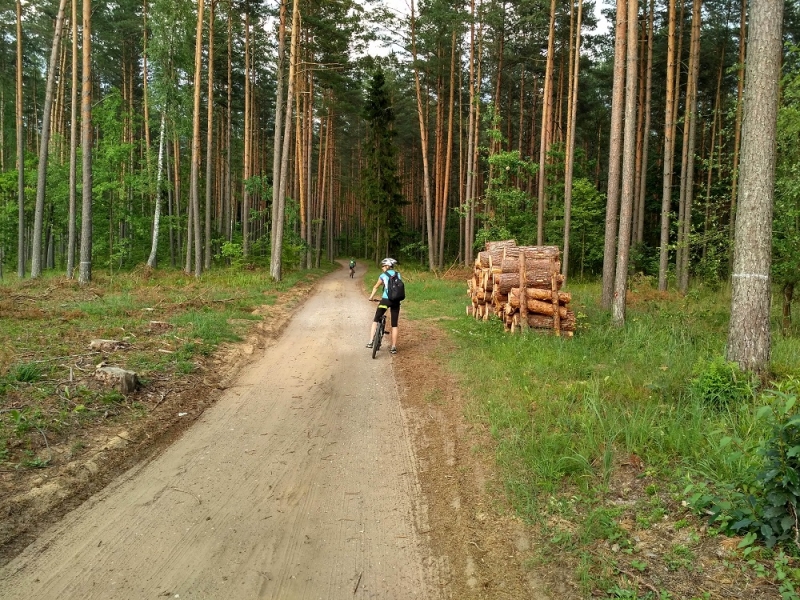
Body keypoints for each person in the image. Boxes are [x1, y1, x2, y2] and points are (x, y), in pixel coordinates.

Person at [367, 258, 401, 354]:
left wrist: (371, 297)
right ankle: (393, 347)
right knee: (394, 324)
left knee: (376, 319)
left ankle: (370, 341)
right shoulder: (398, 275)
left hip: (385, 301)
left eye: (383, 266)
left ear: (387, 266)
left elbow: (376, 287)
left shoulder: (383, 276)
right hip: (395, 302)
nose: (382, 268)